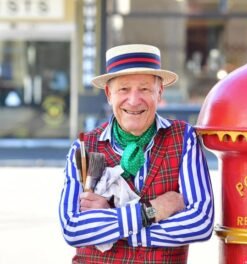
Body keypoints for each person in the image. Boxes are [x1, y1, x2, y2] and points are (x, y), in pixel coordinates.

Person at [59, 44, 214, 263]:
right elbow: (73, 229)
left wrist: (112, 227)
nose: (133, 100)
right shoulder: (84, 146)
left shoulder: (183, 138)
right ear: (108, 94)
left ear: (160, 92)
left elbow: (201, 222)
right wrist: (151, 211)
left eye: (144, 89)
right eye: (123, 89)